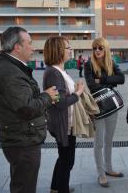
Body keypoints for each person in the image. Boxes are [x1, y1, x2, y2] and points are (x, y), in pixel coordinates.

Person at [0, 26, 58, 193]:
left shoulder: (9, 67)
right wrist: (47, 96)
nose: (33, 48)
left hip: (20, 138)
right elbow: (27, 108)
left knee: (21, 182)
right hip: (22, 141)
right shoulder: (10, 72)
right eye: (29, 43)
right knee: (24, 187)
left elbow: (22, 101)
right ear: (17, 47)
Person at [43, 36, 85, 193]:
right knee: (67, 161)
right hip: (63, 125)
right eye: (67, 47)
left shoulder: (59, 71)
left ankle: (56, 188)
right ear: (58, 50)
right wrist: (79, 93)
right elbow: (59, 102)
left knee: (64, 159)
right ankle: (62, 189)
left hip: (67, 123)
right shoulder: (54, 73)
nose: (70, 50)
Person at [84, 37, 125, 188]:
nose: (97, 51)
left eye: (100, 48)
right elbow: (90, 85)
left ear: (105, 49)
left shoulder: (111, 63)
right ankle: (101, 174)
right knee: (99, 141)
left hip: (112, 106)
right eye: (95, 48)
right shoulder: (88, 65)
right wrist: (109, 81)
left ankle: (109, 168)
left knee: (109, 140)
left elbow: (121, 79)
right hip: (98, 107)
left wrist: (100, 79)